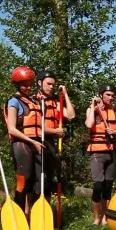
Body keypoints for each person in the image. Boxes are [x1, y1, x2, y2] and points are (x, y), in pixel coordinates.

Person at [3, 66, 45, 218]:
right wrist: (32, 142)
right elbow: (12, 129)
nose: (28, 87)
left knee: (35, 181)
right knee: (23, 181)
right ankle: (18, 215)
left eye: (30, 84)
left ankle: (31, 215)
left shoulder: (32, 100)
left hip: (35, 143)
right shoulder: (13, 102)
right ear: (17, 85)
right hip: (22, 144)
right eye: (24, 85)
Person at [85, 83, 116, 226]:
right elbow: (89, 125)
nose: (111, 97)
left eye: (113, 95)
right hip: (97, 152)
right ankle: (96, 218)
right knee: (98, 186)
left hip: (111, 152)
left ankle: (104, 218)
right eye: (108, 95)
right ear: (101, 95)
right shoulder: (93, 110)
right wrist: (92, 105)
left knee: (108, 186)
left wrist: (115, 132)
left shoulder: (115, 112)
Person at [35, 71, 75, 202]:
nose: (51, 87)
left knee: (49, 178)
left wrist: (65, 95)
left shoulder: (54, 102)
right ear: (40, 83)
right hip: (37, 142)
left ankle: (45, 211)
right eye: (48, 84)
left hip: (50, 143)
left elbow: (70, 115)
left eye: (53, 84)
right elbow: (35, 126)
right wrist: (55, 132)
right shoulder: (34, 100)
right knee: (40, 179)